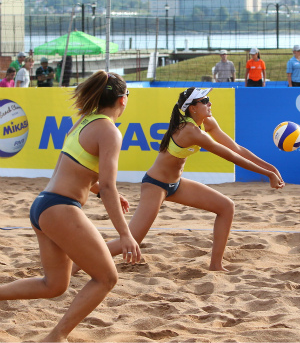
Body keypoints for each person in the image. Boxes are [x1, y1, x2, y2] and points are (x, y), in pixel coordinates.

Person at [72, 87, 284, 276]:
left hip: (176, 184)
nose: (210, 103)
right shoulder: (190, 131)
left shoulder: (206, 122)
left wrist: (271, 169)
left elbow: (236, 148)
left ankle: (216, 266)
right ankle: (77, 262)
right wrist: (267, 175)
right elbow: (231, 157)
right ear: (192, 108)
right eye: (204, 101)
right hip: (155, 185)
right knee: (132, 239)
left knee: (226, 207)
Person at [0, 70, 141, 342]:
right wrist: (125, 234)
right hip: (61, 208)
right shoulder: (109, 130)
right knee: (107, 278)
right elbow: (109, 185)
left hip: (44, 204)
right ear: (122, 100)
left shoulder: (83, 122)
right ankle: (57, 337)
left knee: (54, 285)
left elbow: (75, 170)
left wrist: (99, 191)